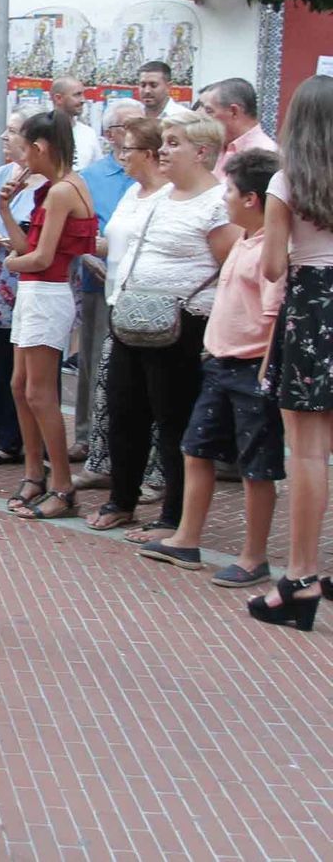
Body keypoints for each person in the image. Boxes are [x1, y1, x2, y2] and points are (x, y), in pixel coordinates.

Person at [137, 150, 284, 583]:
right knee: (195, 448)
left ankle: (254, 556)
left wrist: (266, 371)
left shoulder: (270, 251)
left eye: (232, 192)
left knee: (257, 466)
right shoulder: (244, 239)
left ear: (253, 199)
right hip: (220, 361)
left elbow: (275, 315)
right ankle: (186, 537)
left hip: (251, 366)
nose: (225, 199)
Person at [95, 110, 239, 540]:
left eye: (174, 143)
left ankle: (173, 516)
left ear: (202, 152)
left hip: (183, 325)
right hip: (133, 317)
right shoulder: (157, 196)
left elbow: (230, 266)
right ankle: (123, 500)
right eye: (164, 143)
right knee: (124, 410)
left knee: (173, 419)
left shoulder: (218, 203)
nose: (164, 151)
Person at [252, 74, 333, 629]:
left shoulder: (288, 182)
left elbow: (274, 267)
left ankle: (301, 576)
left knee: (307, 451)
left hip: (311, 305)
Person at [0, 112, 95, 518]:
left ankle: (62, 485)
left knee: (40, 392)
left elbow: (39, 257)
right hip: (38, 293)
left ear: (40, 148)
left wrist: (10, 265)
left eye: (27, 150)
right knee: (21, 386)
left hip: (47, 293)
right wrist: (4, 210)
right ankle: (35, 472)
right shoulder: (56, 188)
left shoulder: (61, 191)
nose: (23, 161)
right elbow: (28, 248)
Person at [78, 117, 169, 512]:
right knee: (116, 397)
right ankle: (119, 480)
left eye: (127, 149)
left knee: (157, 404)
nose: (121, 156)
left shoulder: (168, 197)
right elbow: (112, 244)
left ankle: (156, 478)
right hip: (120, 306)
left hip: (156, 312)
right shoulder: (132, 193)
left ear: (149, 153)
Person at [0, 111, 48, 467]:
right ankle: (9, 440)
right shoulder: (0, 176)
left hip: (35, 284)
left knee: (37, 367)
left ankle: (42, 444)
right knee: (3, 365)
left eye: (14, 131)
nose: (4, 137)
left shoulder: (50, 183)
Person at [68, 98, 140, 457]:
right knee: (93, 361)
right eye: (126, 127)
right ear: (111, 134)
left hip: (141, 287)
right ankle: (87, 436)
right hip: (100, 281)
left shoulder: (154, 176)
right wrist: (87, 251)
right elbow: (75, 229)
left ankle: (121, 442)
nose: (133, 135)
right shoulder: (91, 177)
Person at [198, 77, 277, 179]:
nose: (200, 117)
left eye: (209, 111)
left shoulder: (264, 156)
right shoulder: (215, 146)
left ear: (234, 111)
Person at [49, 74, 101, 168]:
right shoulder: (40, 130)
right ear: (58, 98)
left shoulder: (88, 133)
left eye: (83, 94)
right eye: (77, 95)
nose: (83, 100)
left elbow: (98, 170)